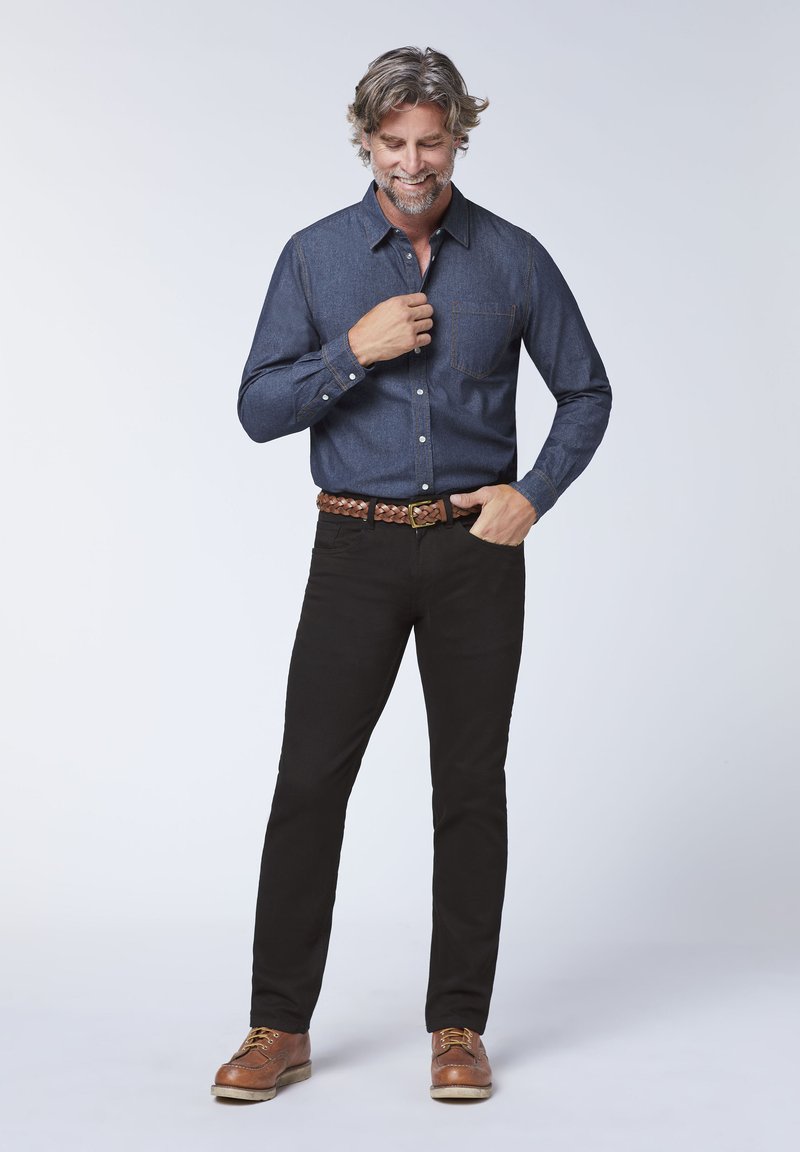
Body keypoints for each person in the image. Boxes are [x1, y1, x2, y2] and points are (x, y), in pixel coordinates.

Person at [211, 45, 612, 1104]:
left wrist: (533, 494)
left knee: (470, 788)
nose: (411, 163)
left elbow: (586, 392)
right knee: (309, 782)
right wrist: (354, 350)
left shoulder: (512, 258)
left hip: (474, 551)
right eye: (392, 143)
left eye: (431, 142)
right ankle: (277, 1025)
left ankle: (458, 1026)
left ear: (458, 139)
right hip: (354, 547)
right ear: (365, 141)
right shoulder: (314, 258)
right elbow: (256, 409)